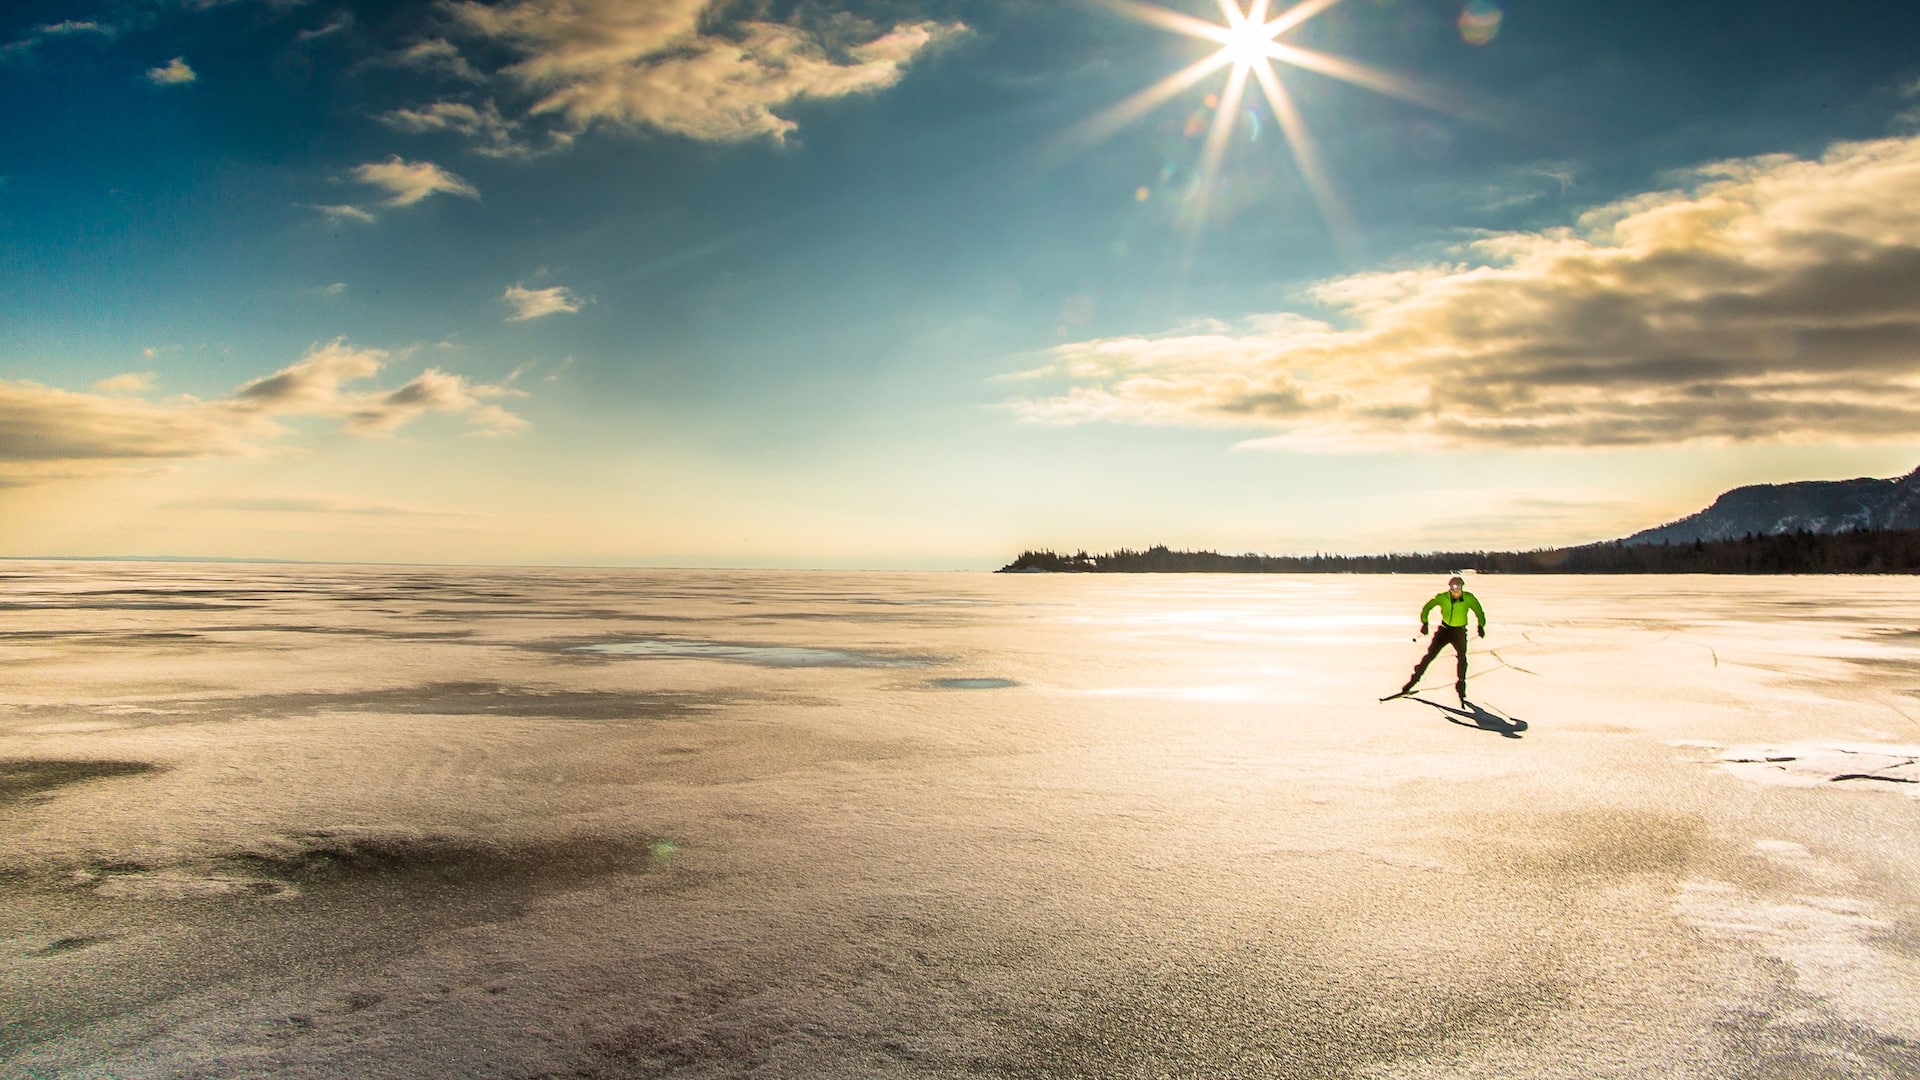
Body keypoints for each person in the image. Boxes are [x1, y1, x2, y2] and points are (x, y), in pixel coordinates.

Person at [1397, 575, 1486, 703]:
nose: (1455, 589)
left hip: (1459, 632)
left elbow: (1479, 611)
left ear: (1462, 587)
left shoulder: (1468, 598)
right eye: (1452, 587)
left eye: (1457, 586)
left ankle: (1461, 685)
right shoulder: (1442, 598)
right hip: (1444, 631)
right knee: (1430, 656)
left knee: (1462, 657)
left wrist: (1481, 625)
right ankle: (1413, 681)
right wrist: (1425, 623)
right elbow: (1427, 607)